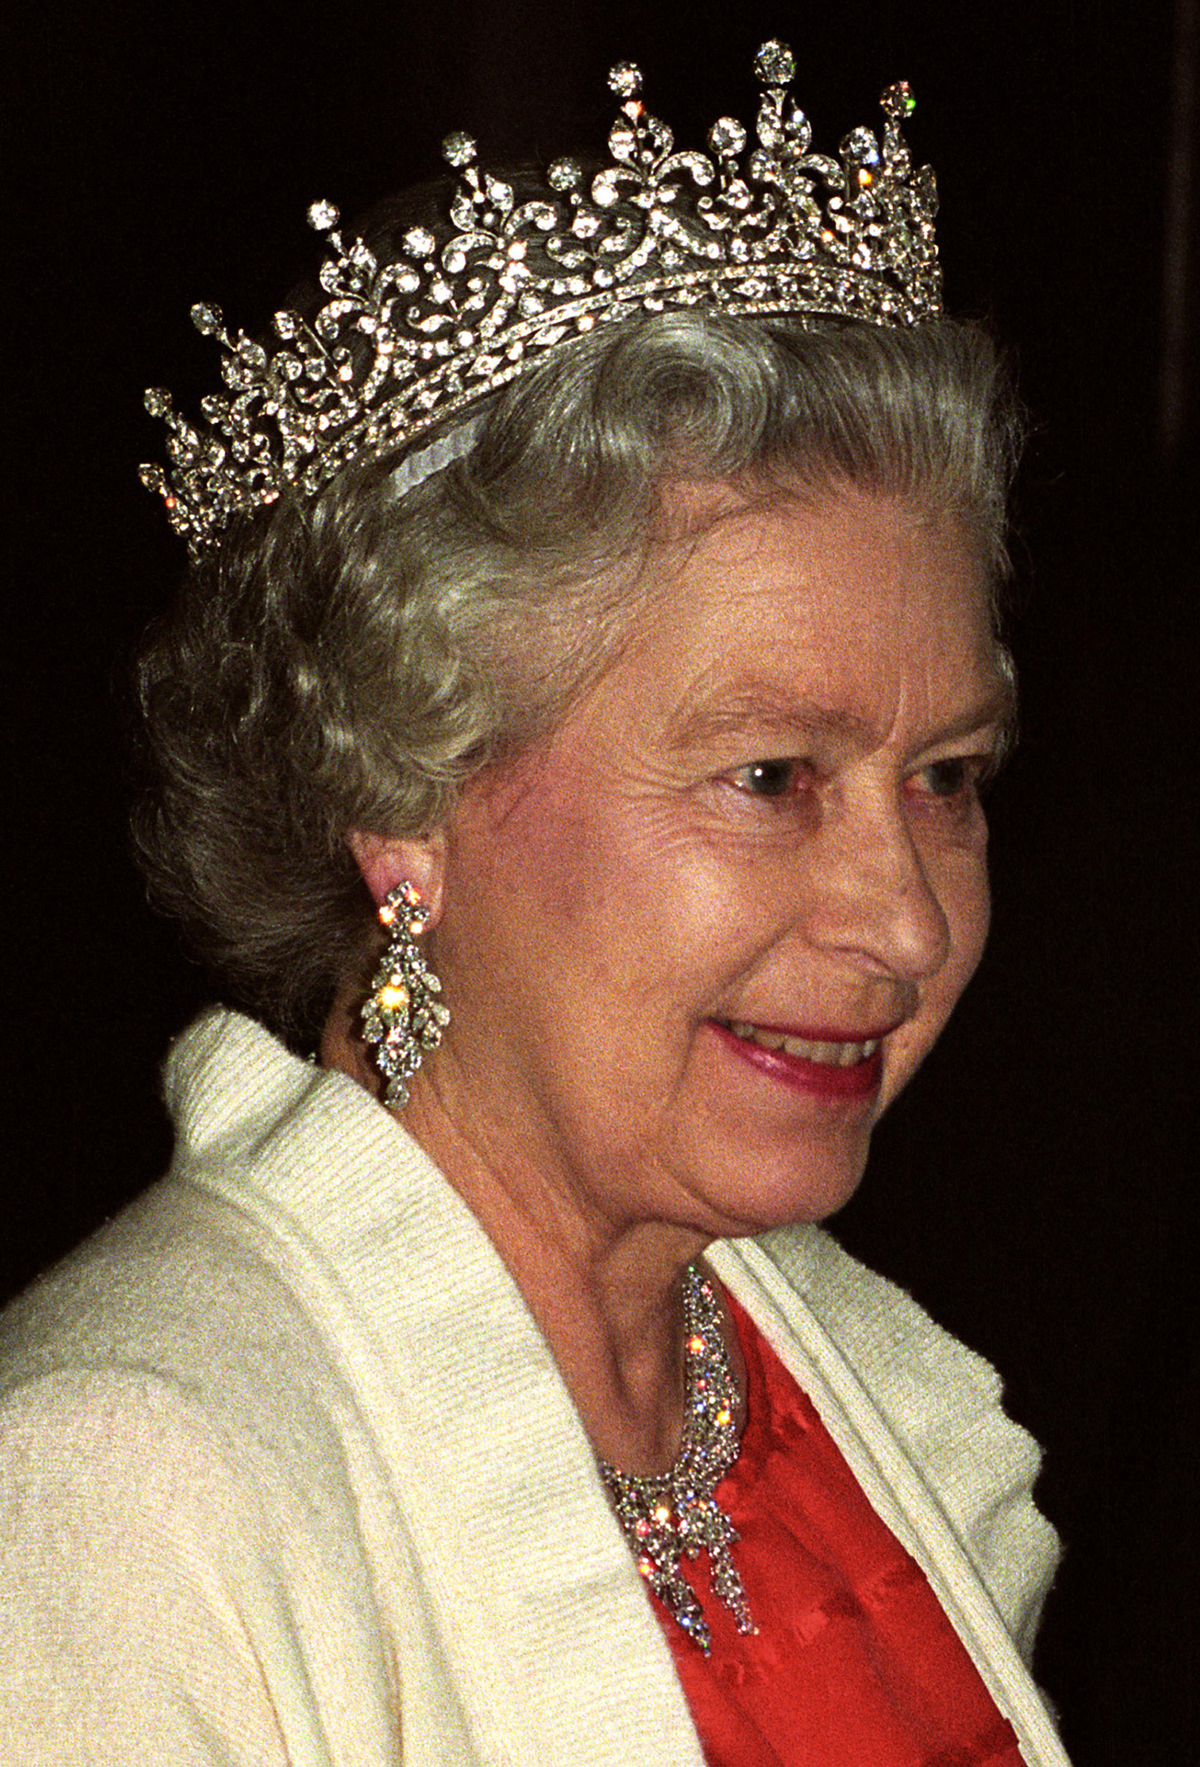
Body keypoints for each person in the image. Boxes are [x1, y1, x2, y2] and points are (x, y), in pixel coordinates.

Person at [0, 42, 1071, 1767]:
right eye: (771, 776)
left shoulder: (857, 1398)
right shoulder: (128, 1495)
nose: (909, 923)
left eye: (945, 776)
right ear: (398, 797)